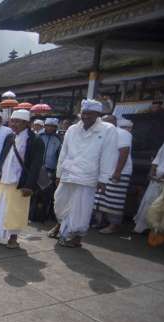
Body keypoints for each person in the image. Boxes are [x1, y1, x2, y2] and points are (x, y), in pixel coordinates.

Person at [50, 99, 118, 248]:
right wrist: (59, 173)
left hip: (88, 176)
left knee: (81, 209)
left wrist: (104, 179)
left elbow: (109, 155)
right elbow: (64, 152)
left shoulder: (108, 129)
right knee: (60, 203)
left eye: (90, 114)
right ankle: (64, 230)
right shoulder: (72, 129)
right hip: (68, 173)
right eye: (84, 113)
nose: (86, 116)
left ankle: (74, 237)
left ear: (97, 114)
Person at [0, 109, 45, 249]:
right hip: (4, 180)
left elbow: (36, 165)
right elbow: (4, 157)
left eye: (17, 122)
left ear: (26, 123)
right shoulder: (10, 137)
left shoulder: (35, 140)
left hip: (20, 182)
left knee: (15, 211)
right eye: (12, 121)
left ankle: (13, 238)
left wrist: (29, 185)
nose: (14, 124)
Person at [93, 117, 133, 234]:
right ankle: (101, 222)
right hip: (104, 172)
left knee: (114, 200)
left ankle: (113, 225)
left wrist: (117, 172)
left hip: (119, 171)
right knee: (100, 198)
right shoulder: (103, 133)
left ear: (113, 123)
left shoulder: (122, 133)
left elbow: (124, 152)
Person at [29, 117, 61, 222]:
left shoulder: (59, 139)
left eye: (53, 126)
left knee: (46, 195)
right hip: (37, 169)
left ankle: (42, 215)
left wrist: (56, 172)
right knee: (33, 193)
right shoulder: (38, 136)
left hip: (49, 171)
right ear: (45, 126)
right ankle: (30, 213)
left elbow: (59, 157)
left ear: (56, 127)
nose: (50, 128)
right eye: (48, 125)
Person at [134, 142, 164, 234]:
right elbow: (157, 158)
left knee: (159, 207)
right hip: (156, 179)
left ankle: (157, 231)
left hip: (161, 180)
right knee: (148, 202)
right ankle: (143, 228)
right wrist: (152, 172)